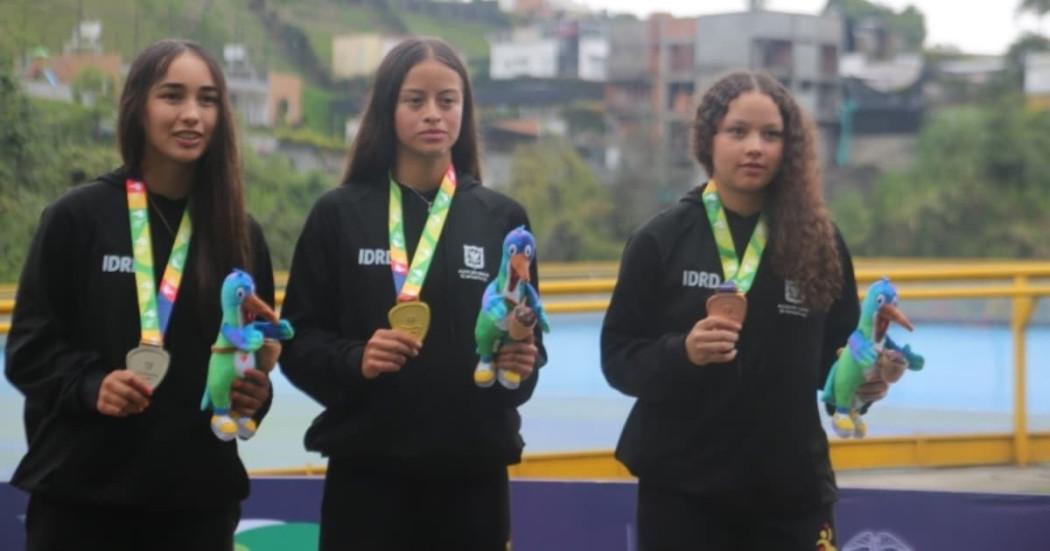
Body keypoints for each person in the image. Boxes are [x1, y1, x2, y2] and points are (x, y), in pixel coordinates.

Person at [4, 39, 276, 551]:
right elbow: (27, 351)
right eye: (172, 96)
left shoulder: (240, 234)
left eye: (208, 99)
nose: (192, 115)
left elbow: (248, 362)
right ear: (138, 107)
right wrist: (92, 385)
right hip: (82, 505)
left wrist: (254, 397)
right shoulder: (77, 217)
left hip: (196, 509)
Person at [600, 71, 889, 550]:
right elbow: (618, 359)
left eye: (771, 134)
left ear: (788, 146)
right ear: (708, 140)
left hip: (789, 496)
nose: (755, 146)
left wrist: (867, 378)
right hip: (683, 495)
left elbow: (834, 366)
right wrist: (683, 352)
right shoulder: (660, 239)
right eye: (738, 132)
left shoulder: (819, 242)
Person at [279, 37, 546, 550]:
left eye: (447, 101)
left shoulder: (502, 218)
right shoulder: (339, 214)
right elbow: (298, 343)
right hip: (368, 479)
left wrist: (520, 361)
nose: (433, 114)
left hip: (473, 479)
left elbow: (529, 349)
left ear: (464, 112)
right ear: (387, 108)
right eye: (415, 100)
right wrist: (356, 359)